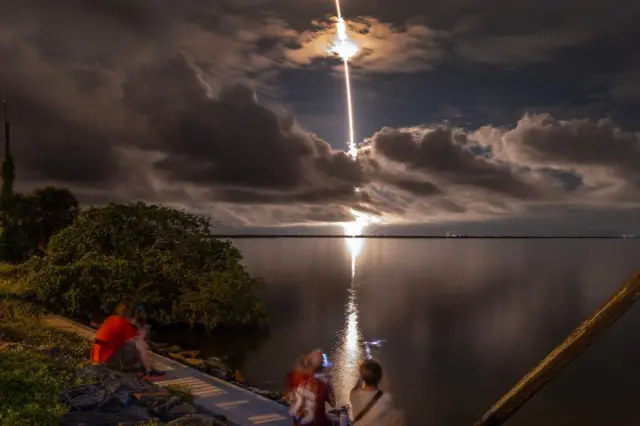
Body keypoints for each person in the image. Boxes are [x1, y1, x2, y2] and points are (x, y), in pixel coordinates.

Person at [90, 299, 164, 377]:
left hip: (97, 357)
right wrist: (137, 325)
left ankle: (142, 368)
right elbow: (141, 340)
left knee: (131, 344)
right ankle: (147, 371)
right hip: (106, 361)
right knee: (140, 346)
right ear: (129, 314)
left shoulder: (111, 319)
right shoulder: (124, 325)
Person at [348, 359, 403, 426]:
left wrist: (361, 377)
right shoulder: (386, 399)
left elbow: (356, 387)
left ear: (362, 377)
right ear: (379, 376)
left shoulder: (354, 395)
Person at [289, 349, 336, 426]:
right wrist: (329, 380)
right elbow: (333, 403)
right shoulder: (322, 386)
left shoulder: (296, 378)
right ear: (321, 367)